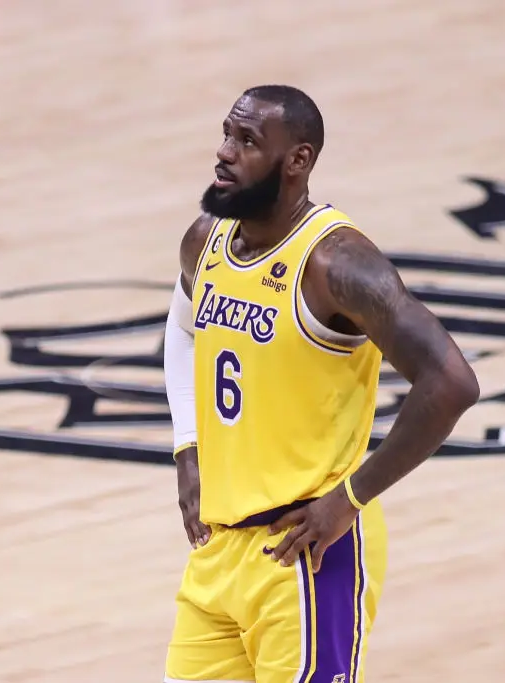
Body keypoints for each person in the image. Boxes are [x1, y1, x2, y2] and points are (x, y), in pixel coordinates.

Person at [161, 85, 480, 683]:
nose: (224, 153)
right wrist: (187, 445)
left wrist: (350, 499)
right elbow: (180, 333)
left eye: (247, 141)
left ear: (298, 161)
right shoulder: (205, 241)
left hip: (306, 553)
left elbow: (451, 382)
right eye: (226, 134)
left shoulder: (337, 264)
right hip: (218, 554)